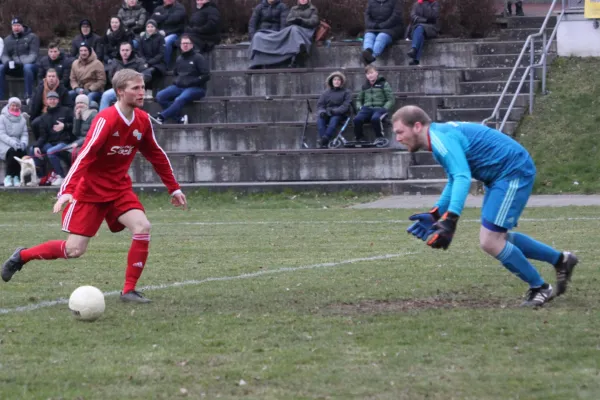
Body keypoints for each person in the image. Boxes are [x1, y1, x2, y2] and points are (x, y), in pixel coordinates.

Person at [1, 68, 188, 304]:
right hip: (90, 191)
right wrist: (67, 191)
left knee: (142, 227)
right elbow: (85, 156)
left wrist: (175, 188)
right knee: (74, 250)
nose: (142, 92)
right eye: (136, 88)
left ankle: (129, 290)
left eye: (143, 87)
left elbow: (156, 155)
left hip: (119, 188)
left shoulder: (142, 120)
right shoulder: (106, 119)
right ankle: (23, 256)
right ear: (120, 92)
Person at [393, 105, 579, 307]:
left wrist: (452, 219)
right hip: (501, 176)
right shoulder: (438, 137)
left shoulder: (440, 139)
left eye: (400, 132)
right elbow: (454, 179)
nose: (398, 138)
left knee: (490, 241)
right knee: (497, 237)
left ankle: (540, 288)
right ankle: (561, 260)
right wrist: (436, 213)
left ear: (417, 126)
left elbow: (463, 178)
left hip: (512, 172)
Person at [155, 35, 210, 124]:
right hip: (180, 87)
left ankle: (161, 117)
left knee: (179, 99)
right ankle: (180, 119)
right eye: (183, 43)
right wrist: (177, 81)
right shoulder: (179, 59)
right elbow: (176, 74)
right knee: (160, 96)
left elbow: (206, 75)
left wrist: (192, 82)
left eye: (187, 43)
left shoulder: (198, 57)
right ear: (180, 45)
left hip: (196, 88)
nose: (185, 45)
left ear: (192, 45)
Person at [30, 91, 74, 186]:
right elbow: (43, 136)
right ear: (47, 101)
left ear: (58, 100)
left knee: (51, 152)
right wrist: (37, 145)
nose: (52, 101)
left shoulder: (66, 111)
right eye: (50, 99)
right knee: (32, 149)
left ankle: (61, 176)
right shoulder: (44, 117)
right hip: (50, 142)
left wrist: (64, 126)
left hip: (64, 142)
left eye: (54, 99)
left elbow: (74, 125)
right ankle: (40, 176)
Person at [99, 42, 149, 110]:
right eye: (123, 50)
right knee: (106, 95)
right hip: (119, 89)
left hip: (134, 89)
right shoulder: (115, 62)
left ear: (131, 51)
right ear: (120, 51)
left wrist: (135, 81)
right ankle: (102, 117)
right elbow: (111, 77)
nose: (125, 52)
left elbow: (147, 75)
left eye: (127, 50)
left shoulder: (139, 61)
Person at [0, 17, 40, 101]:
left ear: (22, 26)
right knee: (0, 68)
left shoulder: (32, 37)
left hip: (30, 66)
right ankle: (1, 97)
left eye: (18, 25)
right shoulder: (7, 39)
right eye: (14, 26)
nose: (16, 27)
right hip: (13, 67)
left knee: (27, 67)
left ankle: (28, 96)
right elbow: (4, 55)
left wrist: (21, 63)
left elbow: (33, 55)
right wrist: (7, 62)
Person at [353, 65, 394, 142]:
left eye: (372, 73)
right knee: (356, 119)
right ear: (366, 75)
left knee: (375, 119)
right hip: (366, 109)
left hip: (379, 109)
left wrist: (385, 108)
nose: (370, 75)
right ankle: (359, 138)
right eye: (368, 74)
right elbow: (358, 99)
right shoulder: (365, 86)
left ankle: (380, 137)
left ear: (376, 73)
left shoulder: (384, 84)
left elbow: (391, 99)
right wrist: (360, 107)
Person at [30, 68, 72, 140]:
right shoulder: (39, 88)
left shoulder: (63, 89)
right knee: (34, 124)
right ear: (46, 78)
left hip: (58, 113)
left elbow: (68, 105)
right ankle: (39, 142)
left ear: (57, 78)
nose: (51, 78)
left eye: (53, 76)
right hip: (43, 113)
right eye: (49, 76)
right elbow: (34, 103)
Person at [316, 71, 352, 148]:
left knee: (334, 119)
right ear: (331, 81)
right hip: (327, 112)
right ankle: (324, 141)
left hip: (340, 114)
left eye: (338, 80)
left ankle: (325, 139)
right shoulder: (325, 93)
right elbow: (320, 105)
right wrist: (322, 112)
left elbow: (345, 106)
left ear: (341, 81)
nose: (336, 81)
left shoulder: (346, 92)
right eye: (335, 80)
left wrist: (334, 111)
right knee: (320, 119)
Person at [362, 0, 404, 64]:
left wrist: (382, 25)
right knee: (369, 35)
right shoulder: (371, 2)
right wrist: (373, 25)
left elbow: (395, 17)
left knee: (381, 37)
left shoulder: (395, 2)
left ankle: (372, 56)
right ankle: (367, 51)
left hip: (391, 28)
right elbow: (367, 17)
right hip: (374, 27)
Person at [0, 98, 28, 187]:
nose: (15, 107)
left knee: (22, 152)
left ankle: (16, 176)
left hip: (17, 142)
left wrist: (23, 142)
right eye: (13, 105)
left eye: (17, 106)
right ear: (9, 105)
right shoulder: (2, 117)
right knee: (12, 152)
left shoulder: (22, 119)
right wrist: (12, 142)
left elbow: (24, 134)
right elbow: (1, 134)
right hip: (4, 142)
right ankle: (8, 176)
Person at [151, 0, 187, 67]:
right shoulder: (158, 8)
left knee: (166, 41)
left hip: (175, 33)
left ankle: (164, 65)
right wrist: (167, 16)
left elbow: (174, 20)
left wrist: (160, 17)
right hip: (160, 32)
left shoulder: (180, 8)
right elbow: (153, 21)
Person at [406, 0, 440, 66]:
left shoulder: (434, 3)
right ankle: (415, 59)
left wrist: (425, 3)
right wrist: (425, 20)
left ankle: (414, 50)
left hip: (431, 27)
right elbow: (413, 16)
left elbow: (432, 16)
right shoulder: (417, 4)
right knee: (420, 31)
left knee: (420, 27)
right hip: (417, 28)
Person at [138, 20, 167, 91]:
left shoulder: (160, 38)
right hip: (145, 62)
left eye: (152, 27)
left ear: (156, 28)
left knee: (150, 71)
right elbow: (140, 52)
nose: (150, 29)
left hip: (158, 63)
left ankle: (150, 90)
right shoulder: (142, 38)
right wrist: (145, 62)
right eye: (148, 27)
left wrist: (149, 63)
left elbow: (161, 54)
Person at [70, 94, 98, 160]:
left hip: (90, 142)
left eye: (81, 103)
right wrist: (77, 118)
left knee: (75, 154)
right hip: (80, 141)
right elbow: (75, 133)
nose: (79, 105)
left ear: (86, 104)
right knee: (63, 153)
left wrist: (78, 143)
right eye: (77, 103)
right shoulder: (79, 114)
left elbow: (93, 135)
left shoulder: (93, 115)